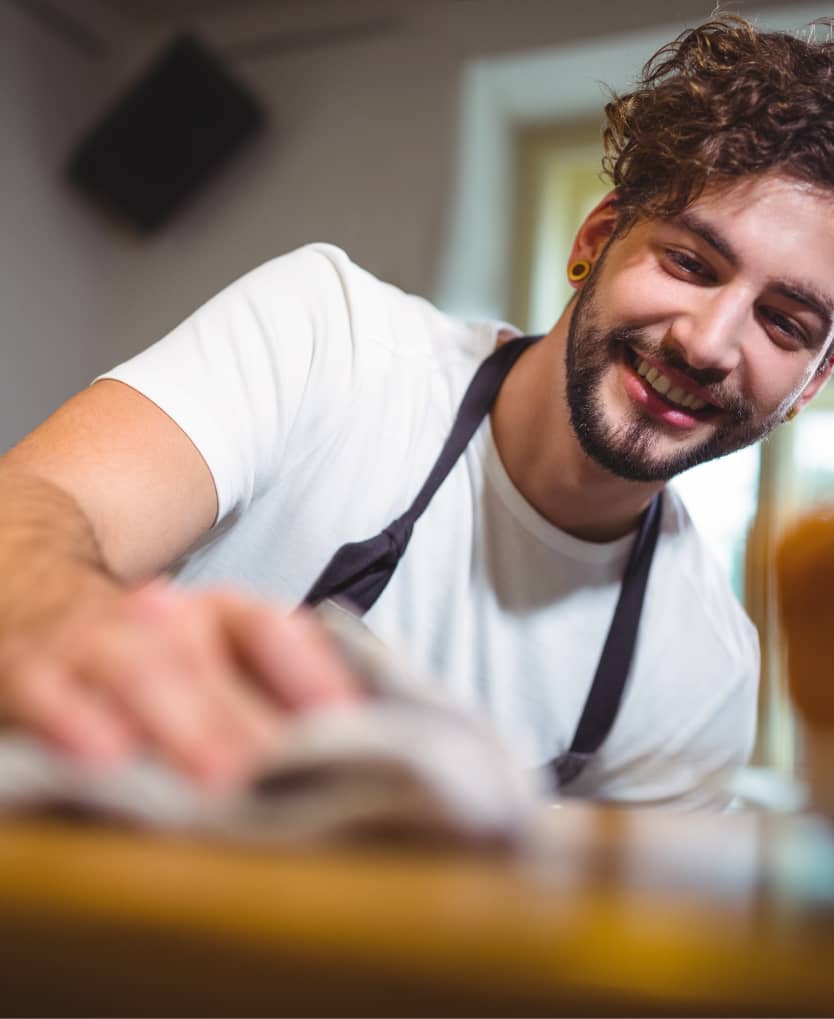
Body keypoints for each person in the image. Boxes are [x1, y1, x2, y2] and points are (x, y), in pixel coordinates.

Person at [1, 15, 832, 809]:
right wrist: (61, 614)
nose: (710, 343)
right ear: (595, 240)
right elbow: (36, 509)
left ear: (812, 384)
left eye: (783, 322)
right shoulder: (331, 334)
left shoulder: (700, 667)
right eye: (689, 262)